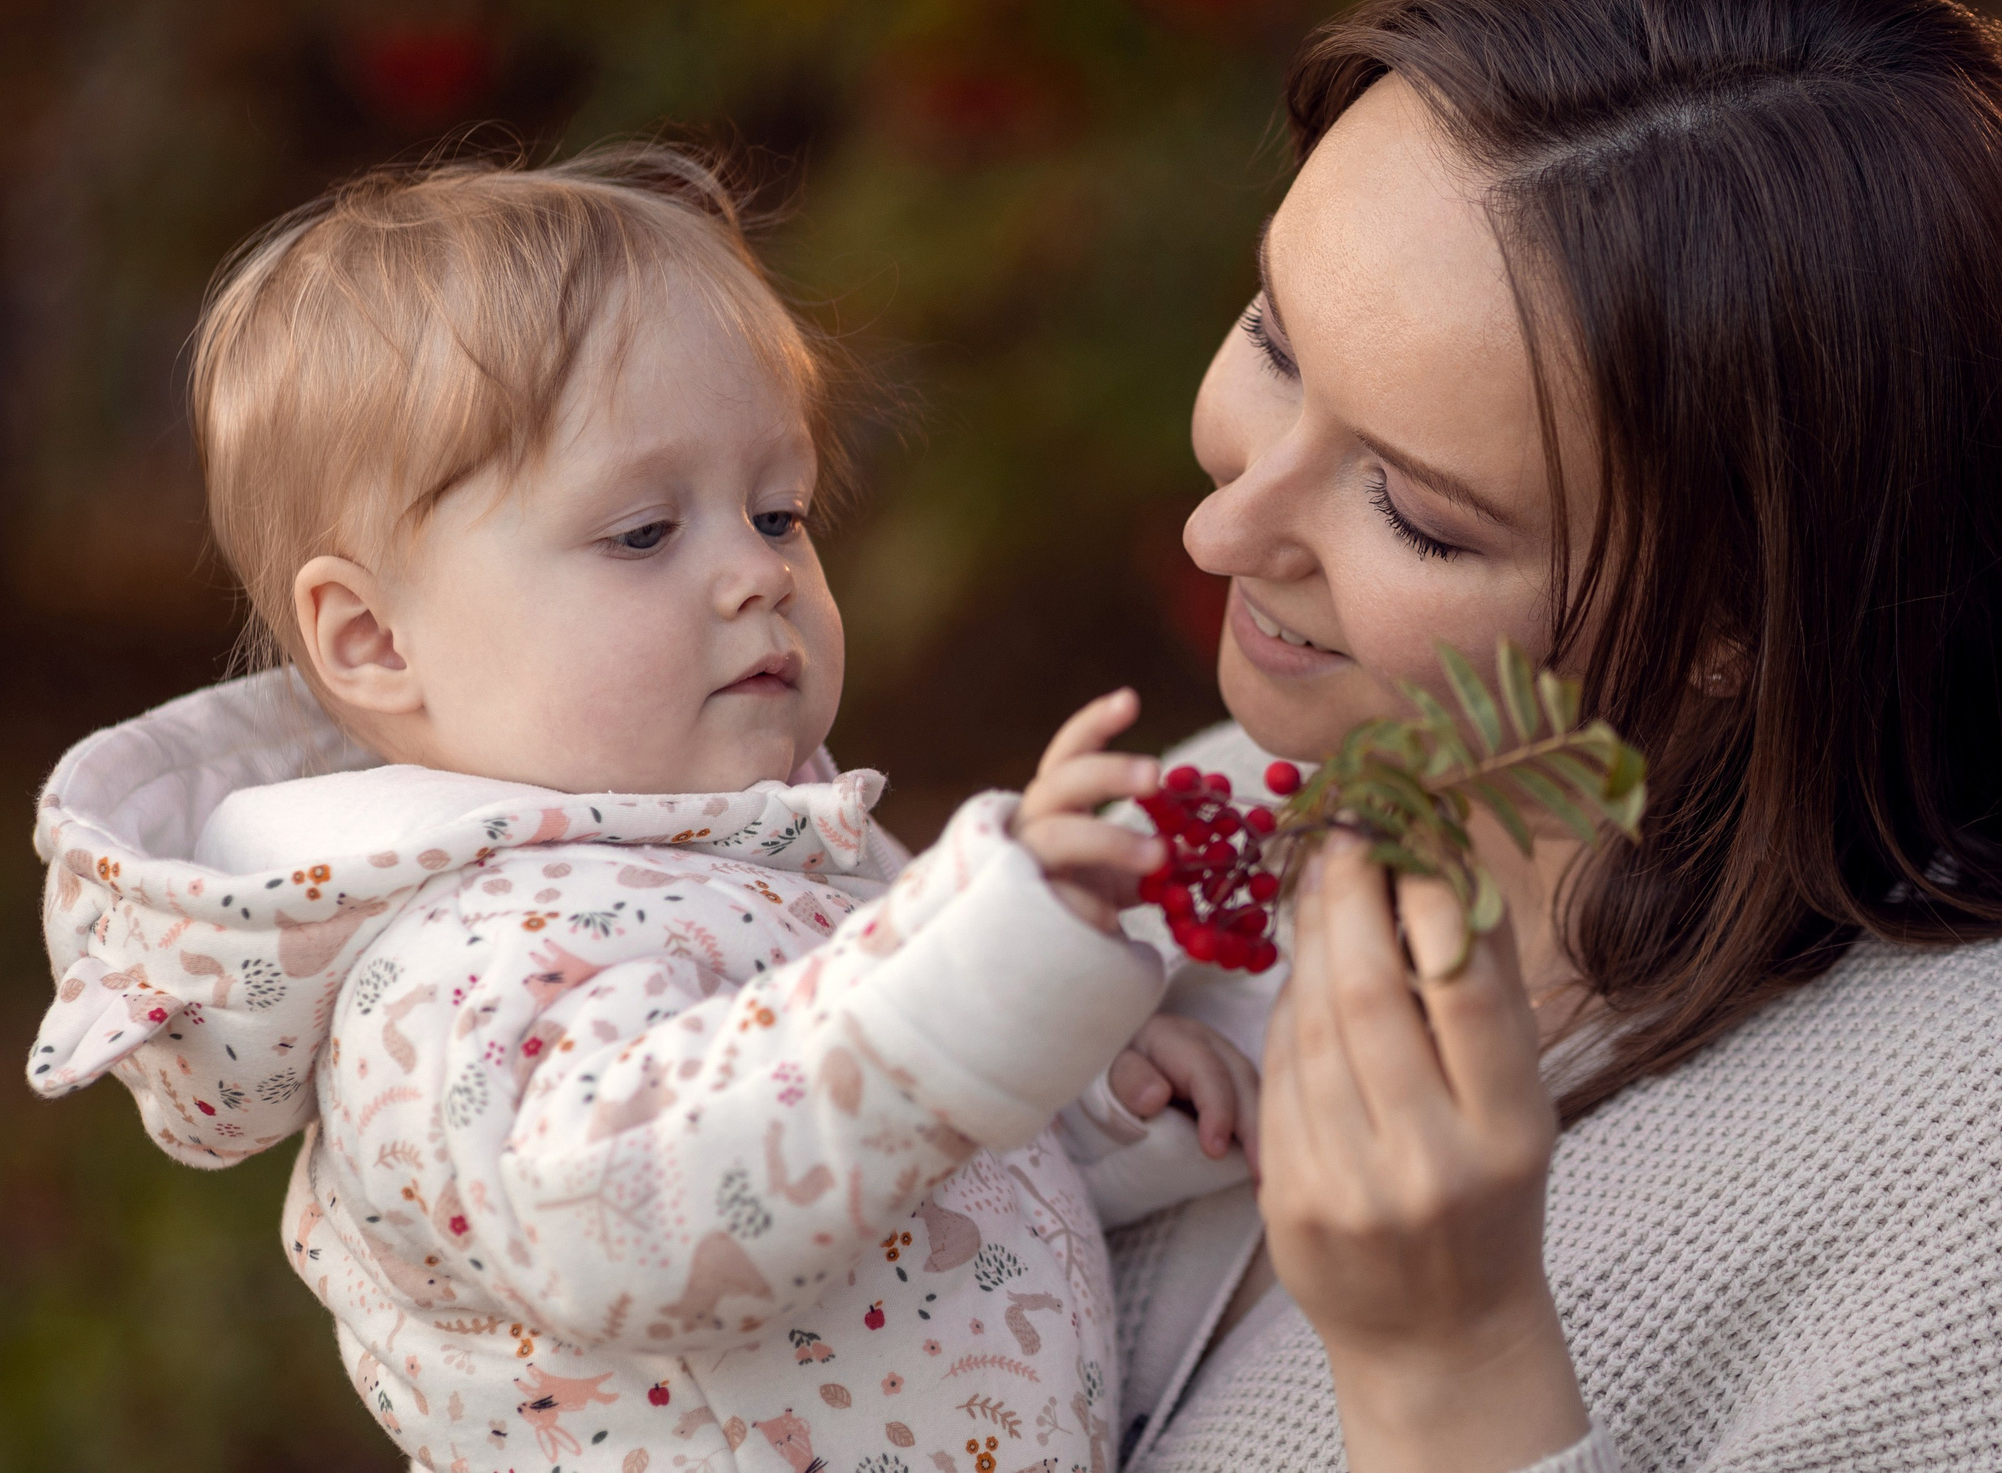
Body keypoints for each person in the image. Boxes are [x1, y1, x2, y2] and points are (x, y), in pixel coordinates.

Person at [1111, 0, 2002, 1473]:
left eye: (1415, 511)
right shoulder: (1217, 830)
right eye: (1276, 340)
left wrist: (1455, 1374)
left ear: (1737, 622)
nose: (1221, 531)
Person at [25, 147, 1258, 1473]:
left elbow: (877, 1152)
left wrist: (1082, 1090)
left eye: (779, 511)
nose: (754, 574)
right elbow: (650, 1207)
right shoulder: (451, 974)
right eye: (642, 535)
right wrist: (970, 976)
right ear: (376, 638)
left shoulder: (759, 843)